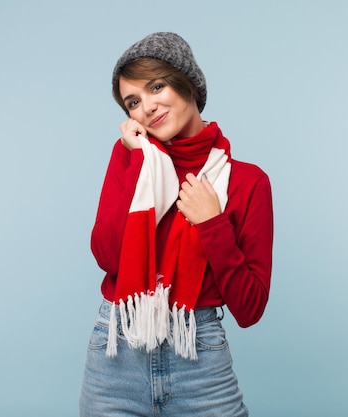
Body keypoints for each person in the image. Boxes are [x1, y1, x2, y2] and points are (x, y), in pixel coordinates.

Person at [79, 32, 273, 417]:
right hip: (117, 352)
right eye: (133, 102)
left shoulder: (248, 182)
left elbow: (249, 308)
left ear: (187, 83)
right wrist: (136, 163)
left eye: (157, 86)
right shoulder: (130, 160)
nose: (147, 107)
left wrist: (212, 223)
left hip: (199, 358)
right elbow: (107, 257)